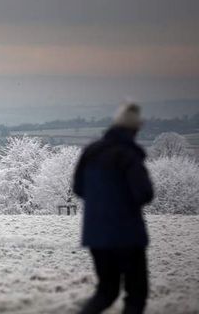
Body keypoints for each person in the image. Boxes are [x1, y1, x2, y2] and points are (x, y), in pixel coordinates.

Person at [73, 102, 154, 314]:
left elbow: (79, 188)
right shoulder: (128, 154)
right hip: (127, 234)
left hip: (96, 235)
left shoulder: (91, 152)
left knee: (106, 292)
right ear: (135, 129)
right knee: (136, 294)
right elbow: (144, 194)